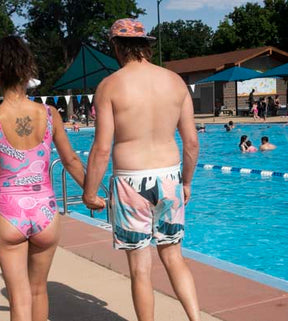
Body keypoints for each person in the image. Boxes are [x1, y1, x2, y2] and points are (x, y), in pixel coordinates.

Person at [0, 36, 104, 321]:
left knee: (19, 297)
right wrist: (90, 193)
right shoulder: (49, 114)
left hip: (8, 214)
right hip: (45, 213)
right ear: (28, 71)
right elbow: (71, 160)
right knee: (38, 290)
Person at [82, 18, 201, 321]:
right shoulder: (175, 82)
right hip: (171, 177)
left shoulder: (109, 86)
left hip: (131, 183)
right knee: (174, 257)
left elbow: (102, 148)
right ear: (147, 45)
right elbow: (191, 143)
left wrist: (90, 191)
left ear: (117, 47)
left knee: (140, 268)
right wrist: (186, 182)